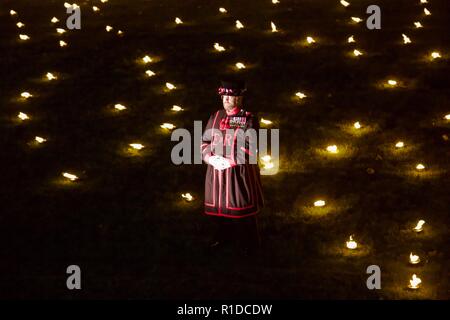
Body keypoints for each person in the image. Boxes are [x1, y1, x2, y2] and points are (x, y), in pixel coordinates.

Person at [200, 78, 264, 257]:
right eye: (223, 96)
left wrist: (229, 161)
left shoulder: (248, 119)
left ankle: (250, 244)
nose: (226, 100)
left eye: (230, 96)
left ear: (240, 98)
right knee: (219, 210)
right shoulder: (216, 116)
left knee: (243, 211)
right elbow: (205, 141)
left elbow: (249, 147)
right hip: (216, 171)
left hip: (238, 172)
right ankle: (223, 237)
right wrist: (210, 159)